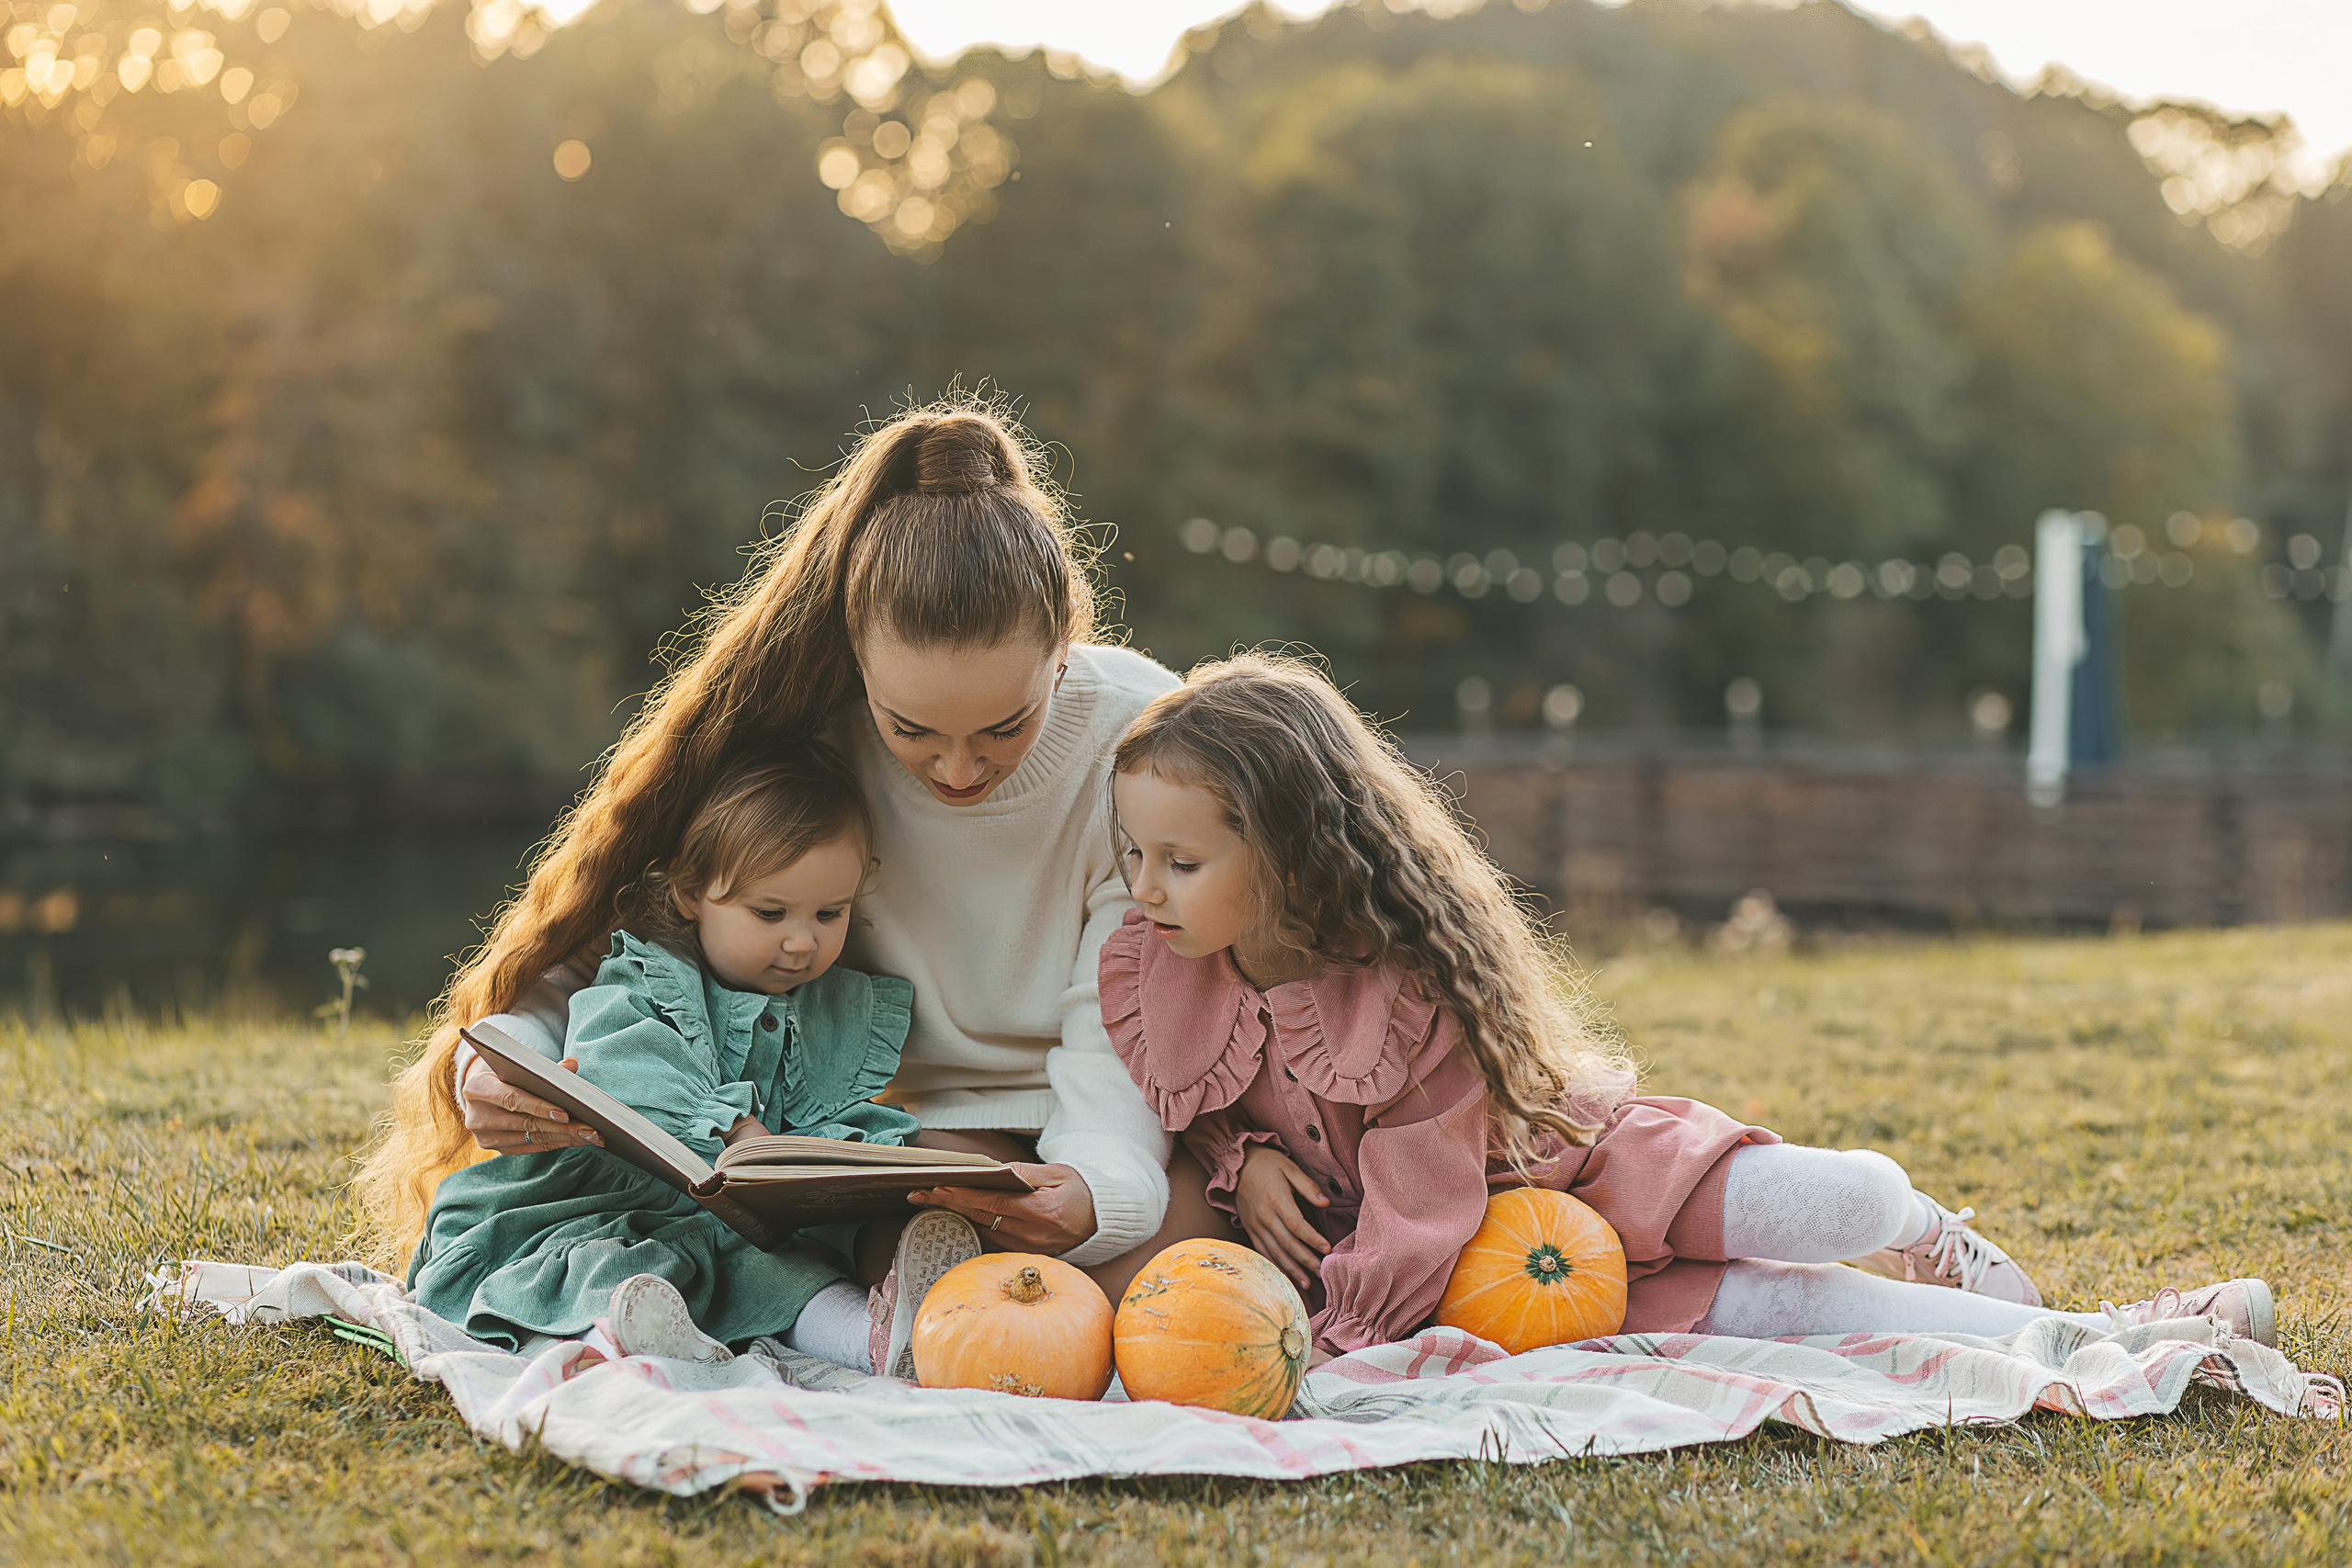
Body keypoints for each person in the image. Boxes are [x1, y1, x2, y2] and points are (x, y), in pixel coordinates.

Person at [1102, 653, 2276, 1359]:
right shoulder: (1161, 968)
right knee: (1806, 1314)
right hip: (1503, 1270)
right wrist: (1243, 1158)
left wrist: (1338, 1339)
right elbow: (1202, 1108)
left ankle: (1931, 1232)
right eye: (1134, 854)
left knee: (1843, 1202)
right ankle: (2122, 1337)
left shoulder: (1404, 986)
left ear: (1291, 854)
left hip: (1577, 1175)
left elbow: (1423, 1183)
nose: (1143, 887)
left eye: (1179, 861)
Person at [359, 401, 1233, 1325]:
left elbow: (1134, 1007)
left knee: (1175, 1271)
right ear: (856, 658)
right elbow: (632, 948)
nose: (959, 768)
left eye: (1004, 727)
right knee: (953, 1290)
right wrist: (502, 1065)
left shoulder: (1137, 737)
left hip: (1122, 1119)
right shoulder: (804, 736)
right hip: (907, 1141)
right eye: (912, 729)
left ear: (1061, 650)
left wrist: (1096, 1189)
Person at [407, 747, 985, 1377]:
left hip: (749, 1231)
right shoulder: (648, 977)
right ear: (690, 892)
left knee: (784, 1275)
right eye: (770, 912)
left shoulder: (835, 1005)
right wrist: (738, 1131)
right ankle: (625, 1336)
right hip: (613, 1207)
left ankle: (874, 1341)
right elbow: (627, 1067)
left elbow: (841, 1112)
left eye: (830, 913)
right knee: (613, 1268)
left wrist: (870, 1158)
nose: (803, 940)